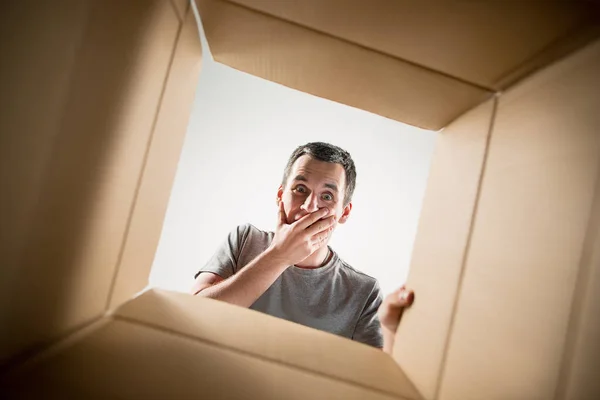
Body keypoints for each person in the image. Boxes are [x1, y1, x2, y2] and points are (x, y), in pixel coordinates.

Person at [191, 142, 414, 354]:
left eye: (326, 196)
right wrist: (279, 256)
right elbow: (193, 316)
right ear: (280, 196)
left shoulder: (364, 292)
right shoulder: (244, 240)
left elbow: (378, 379)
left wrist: (391, 331)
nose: (309, 207)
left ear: (344, 213)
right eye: (300, 189)